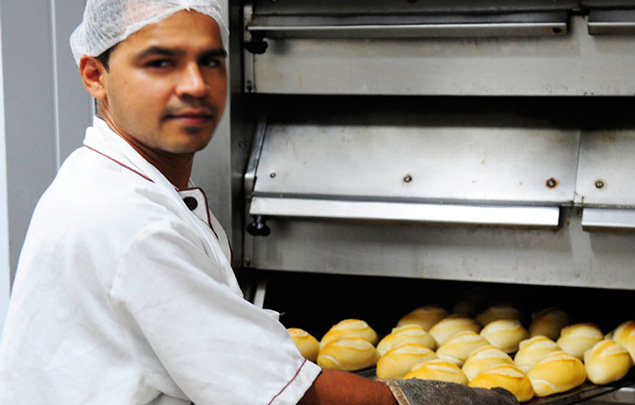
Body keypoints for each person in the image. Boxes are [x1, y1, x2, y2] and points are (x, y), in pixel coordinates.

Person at [0, 1, 518, 404]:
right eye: (160, 63)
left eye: (209, 62)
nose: (195, 87)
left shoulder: (108, 182)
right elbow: (286, 398)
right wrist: (419, 397)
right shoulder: (128, 223)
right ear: (95, 75)